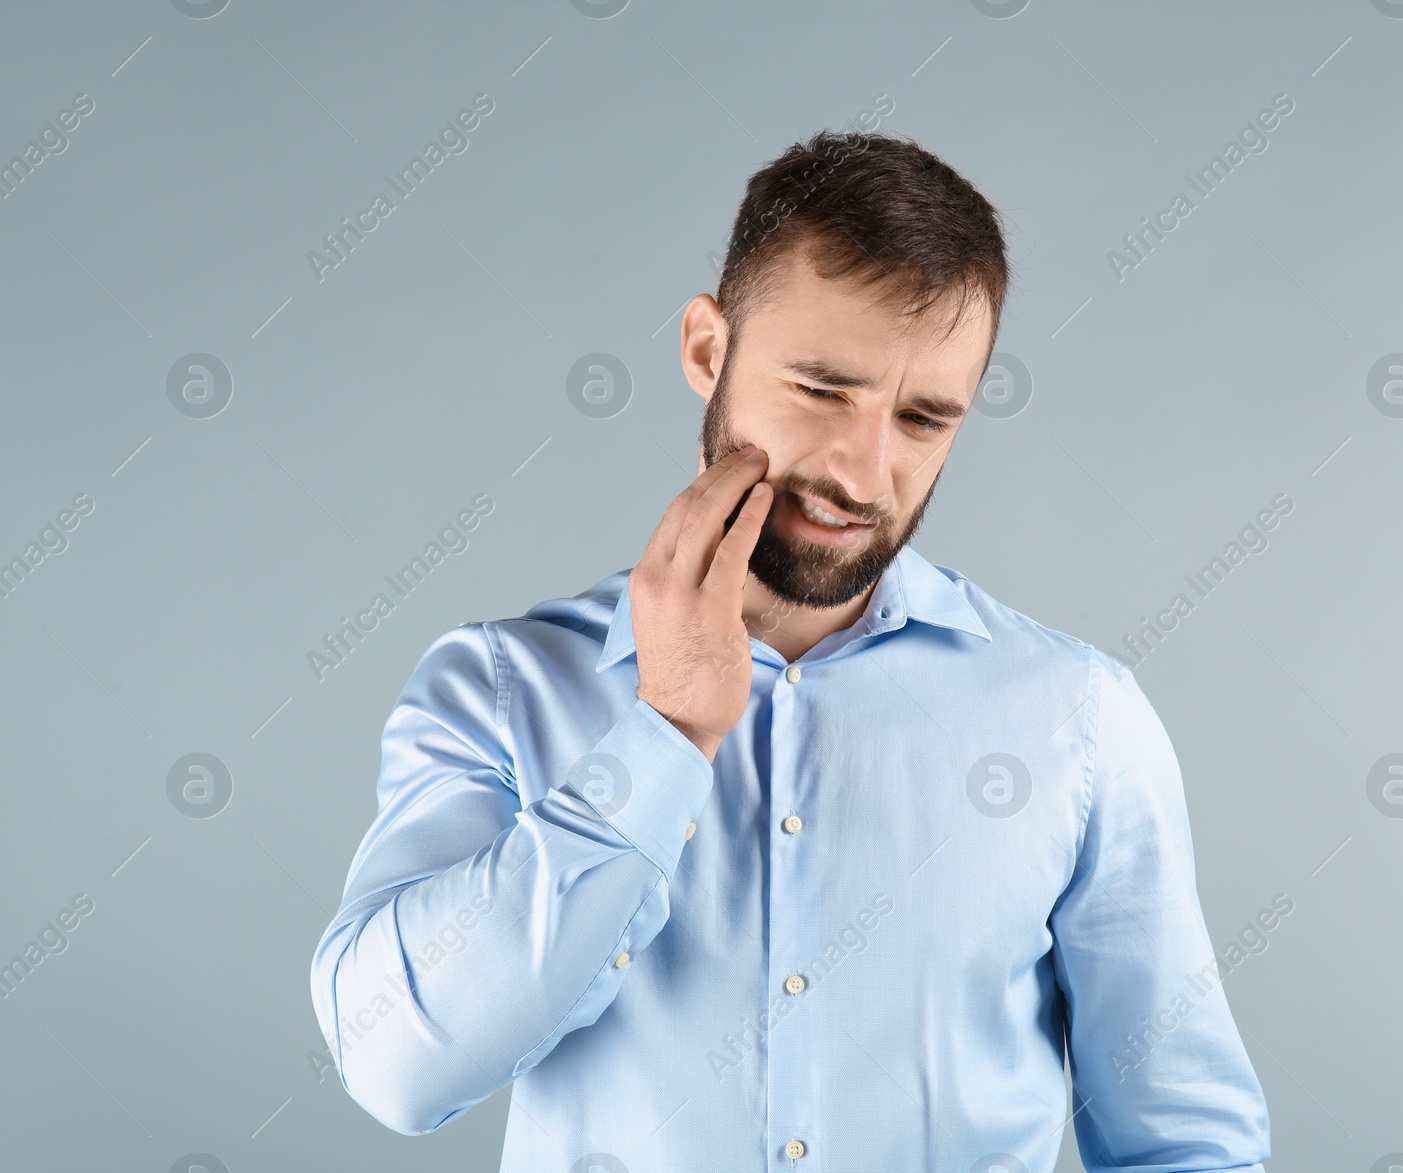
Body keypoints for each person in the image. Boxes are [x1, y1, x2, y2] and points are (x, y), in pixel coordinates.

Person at [308, 130, 1271, 1173]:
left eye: (922, 418)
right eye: (823, 392)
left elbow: (1186, 1143)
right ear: (706, 350)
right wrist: (666, 732)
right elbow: (398, 1066)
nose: (864, 474)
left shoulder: (1079, 720)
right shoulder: (500, 690)